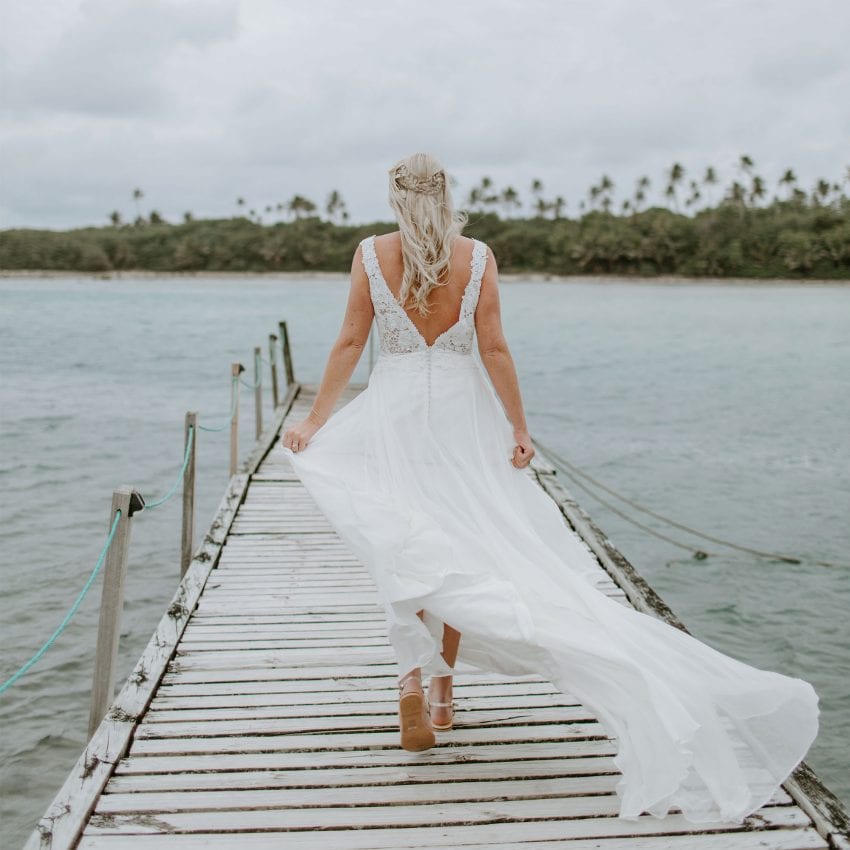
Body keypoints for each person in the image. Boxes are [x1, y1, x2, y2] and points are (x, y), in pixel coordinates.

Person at [280, 152, 819, 824]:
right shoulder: (476, 257)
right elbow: (495, 348)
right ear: (447, 195)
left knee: (404, 548)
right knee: (462, 548)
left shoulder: (370, 254)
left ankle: (411, 684)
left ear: (394, 197)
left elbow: (350, 342)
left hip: (393, 416)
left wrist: (314, 420)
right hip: (459, 417)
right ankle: (444, 698)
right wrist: (519, 426)